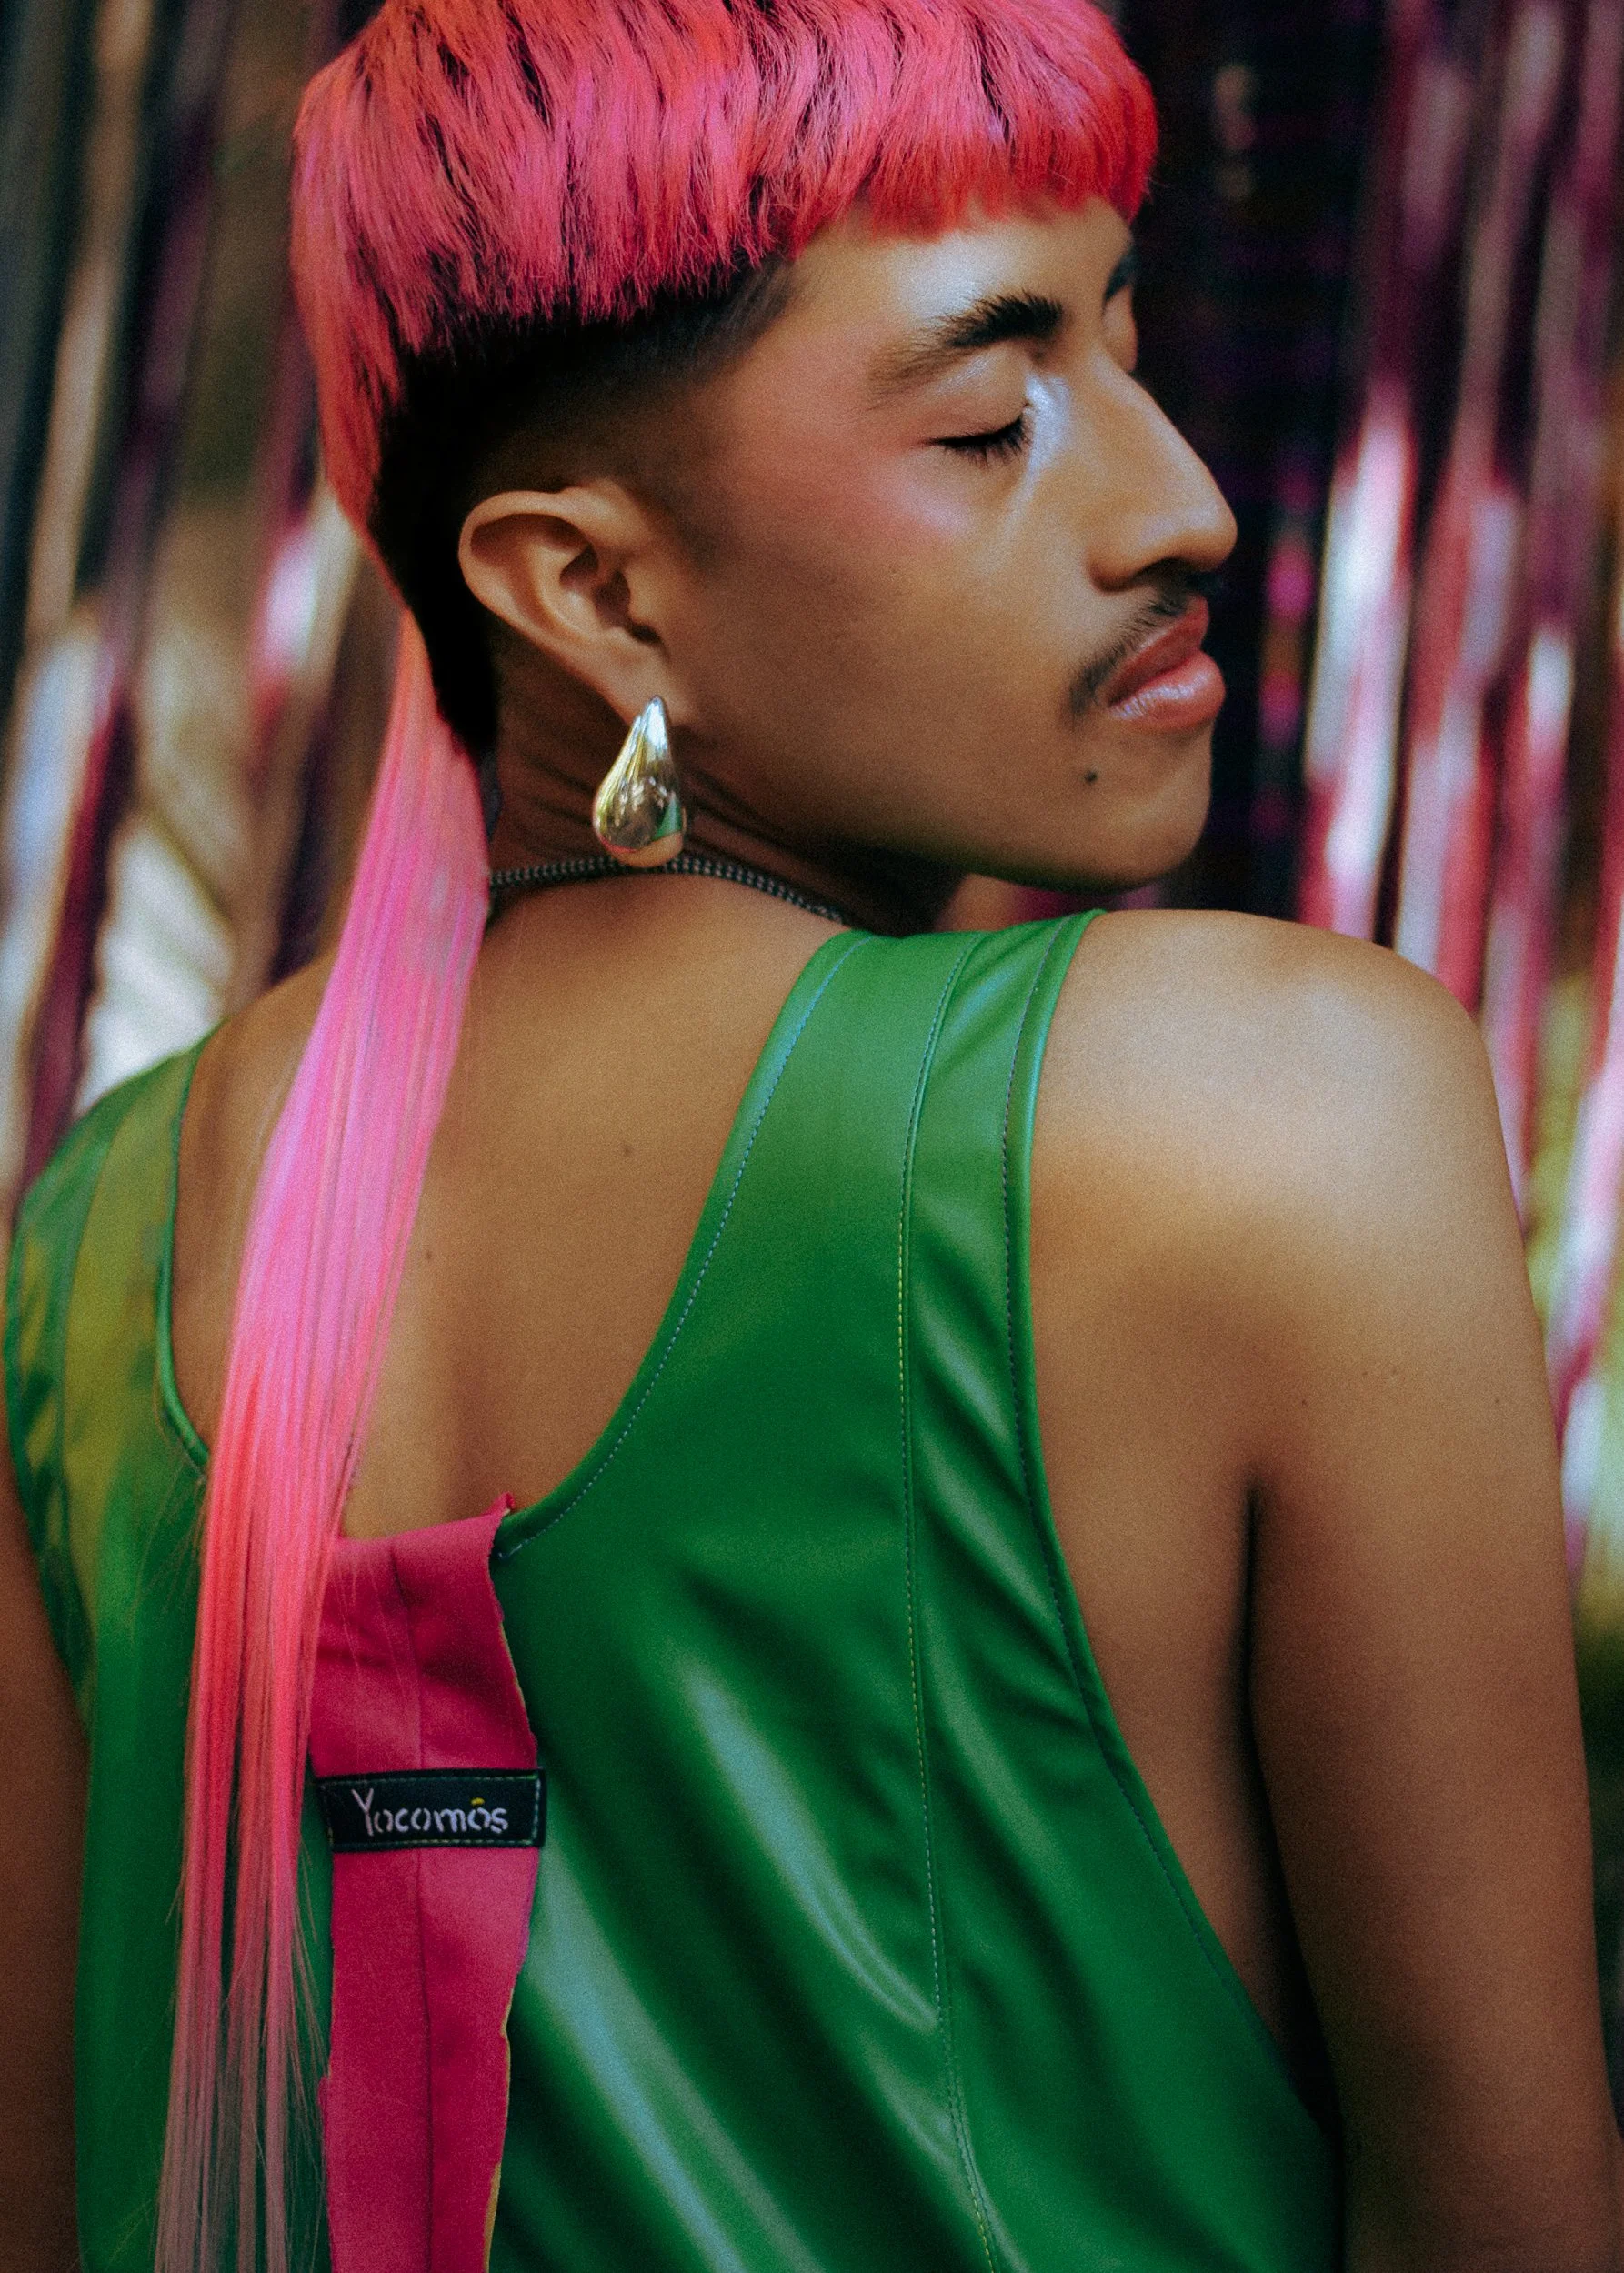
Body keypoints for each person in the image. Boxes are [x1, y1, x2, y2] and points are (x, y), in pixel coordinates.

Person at [1, 0, 1619, 2268]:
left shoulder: (94, 1237)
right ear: (590, 588)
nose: (1181, 503)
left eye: (1125, 340)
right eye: (988, 418)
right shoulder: (1267, 1109)